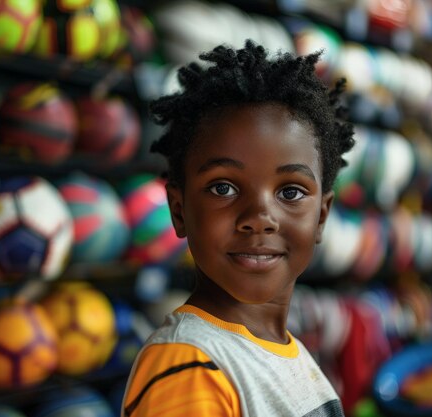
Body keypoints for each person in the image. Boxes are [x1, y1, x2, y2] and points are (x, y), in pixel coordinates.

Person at [122, 39, 355, 417]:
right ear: (179, 211)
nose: (259, 217)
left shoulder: (285, 351)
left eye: (291, 191)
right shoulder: (190, 366)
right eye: (223, 188)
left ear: (322, 216)